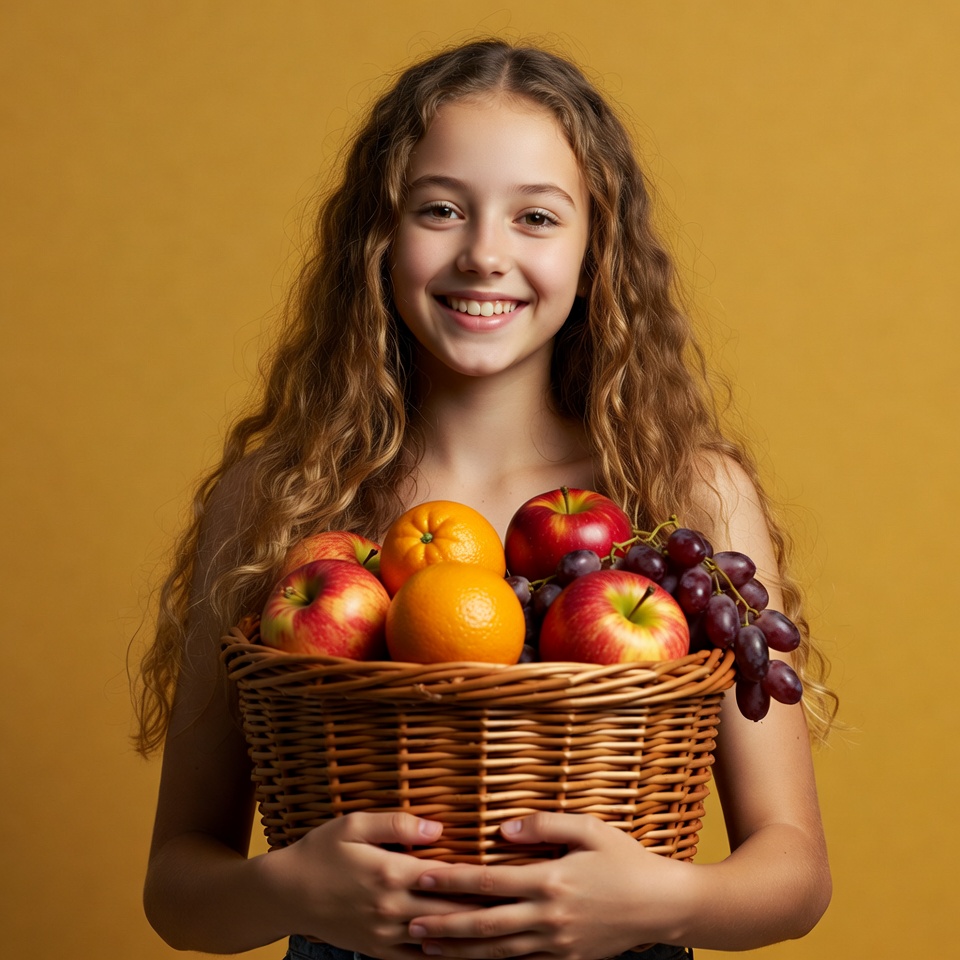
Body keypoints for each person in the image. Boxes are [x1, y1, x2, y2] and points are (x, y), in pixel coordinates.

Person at [133, 38, 836, 960]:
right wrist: (289, 887)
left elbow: (793, 874)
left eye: (537, 218)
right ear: (377, 243)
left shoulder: (682, 492)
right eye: (439, 210)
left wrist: (657, 901)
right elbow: (178, 889)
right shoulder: (280, 500)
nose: (483, 254)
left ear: (596, 252)